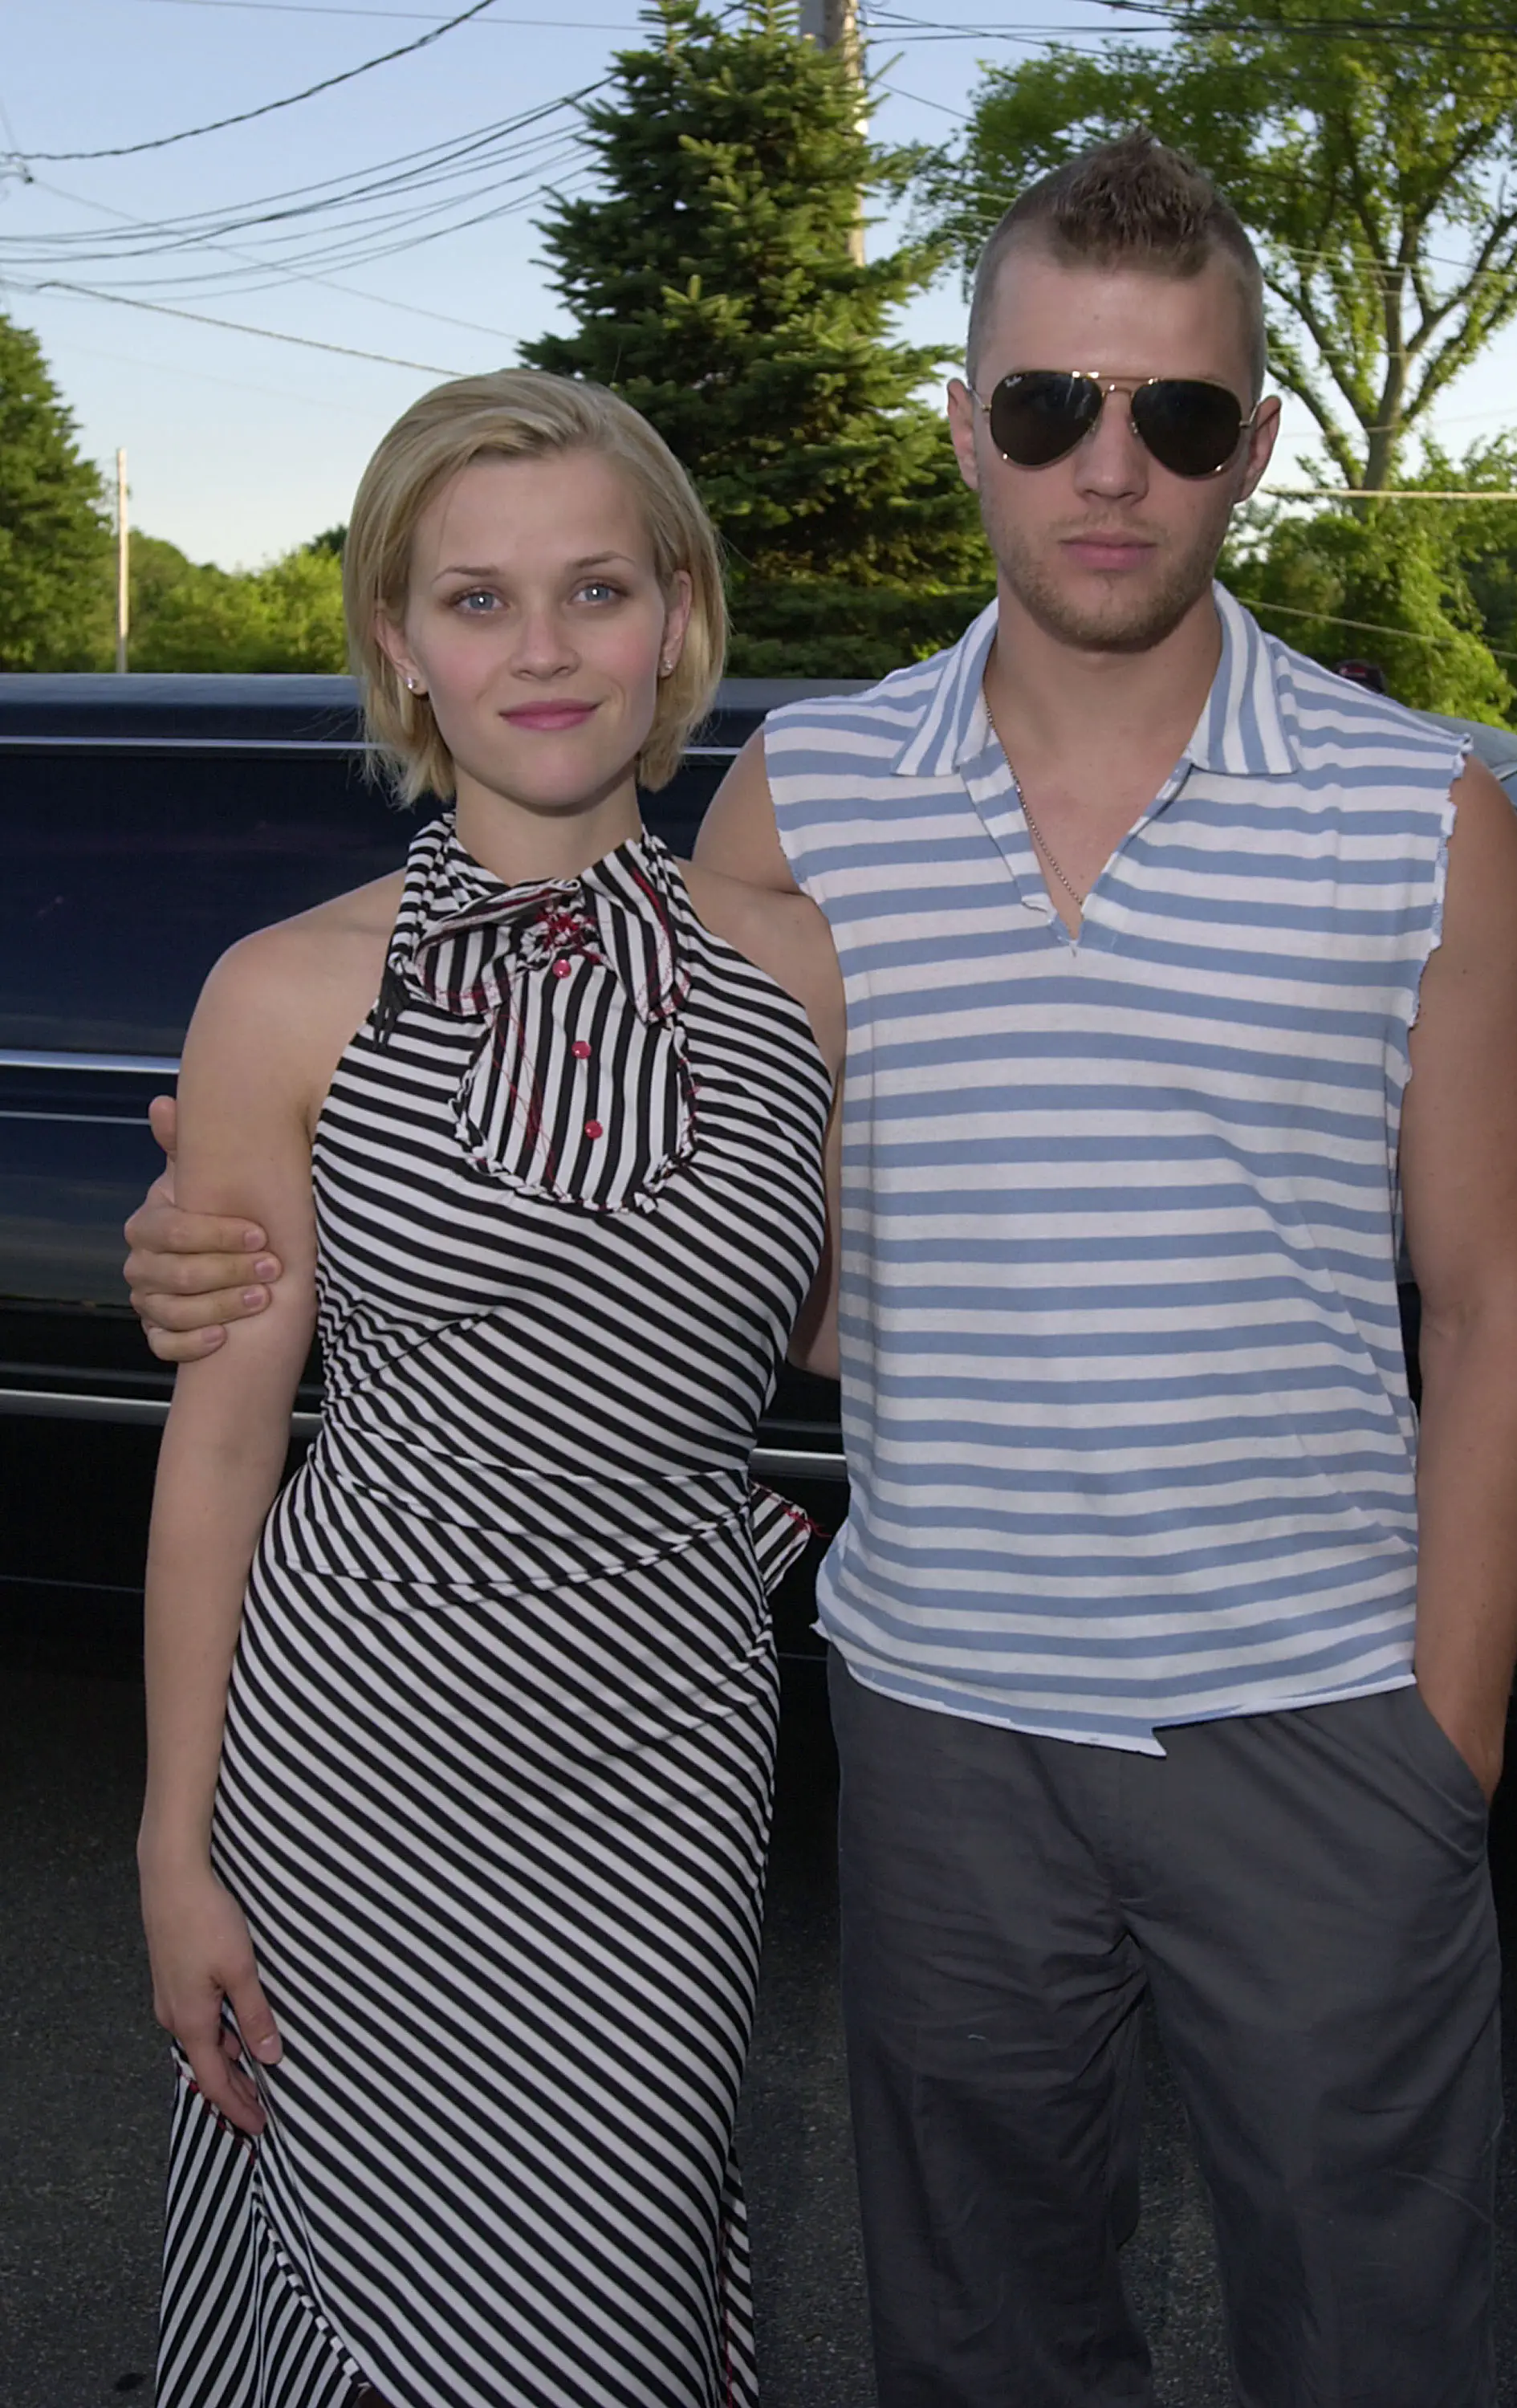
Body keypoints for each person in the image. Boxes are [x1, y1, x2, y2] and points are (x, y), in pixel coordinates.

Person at [127, 139, 1517, 2408]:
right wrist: (232, 1240)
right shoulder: (811, 807)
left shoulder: (1419, 811)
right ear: (965, 417)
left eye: (1178, 417)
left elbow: (1491, 1309)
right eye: (1046, 408)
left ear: (1253, 446)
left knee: (1376, 2344)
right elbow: (720, 1252)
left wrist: (1438, 1754)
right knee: (983, 2347)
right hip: (933, 1731)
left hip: (1312, 1731)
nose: (1111, 470)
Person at [132, 366, 842, 2408]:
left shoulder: (803, 964)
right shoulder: (285, 988)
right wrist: (176, 1849)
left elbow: (826, 1316)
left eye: (594, 590)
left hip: (664, 1747)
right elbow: (227, 1447)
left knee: (597, 2301)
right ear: (397, 646)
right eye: (474, 602)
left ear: (678, 617)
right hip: (353, 1745)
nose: (541, 651)